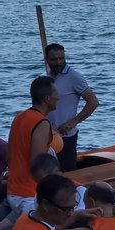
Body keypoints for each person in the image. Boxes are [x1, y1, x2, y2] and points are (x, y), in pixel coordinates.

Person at [7, 76, 58, 223]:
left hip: (13, 190)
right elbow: (38, 164)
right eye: (56, 94)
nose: (59, 97)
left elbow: (9, 156)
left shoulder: (19, 117)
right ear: (47, 99)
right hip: (28, 194)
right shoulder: (41, 123)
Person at [45, 43, 99, 172]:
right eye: (54, 59)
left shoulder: (74, 77)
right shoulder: (47, 78)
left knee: (67, 174)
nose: (59, 62)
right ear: (46, 60)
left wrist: (72, 122)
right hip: (48, 136)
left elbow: (93, 102)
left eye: (61, 58)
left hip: (66, 137)